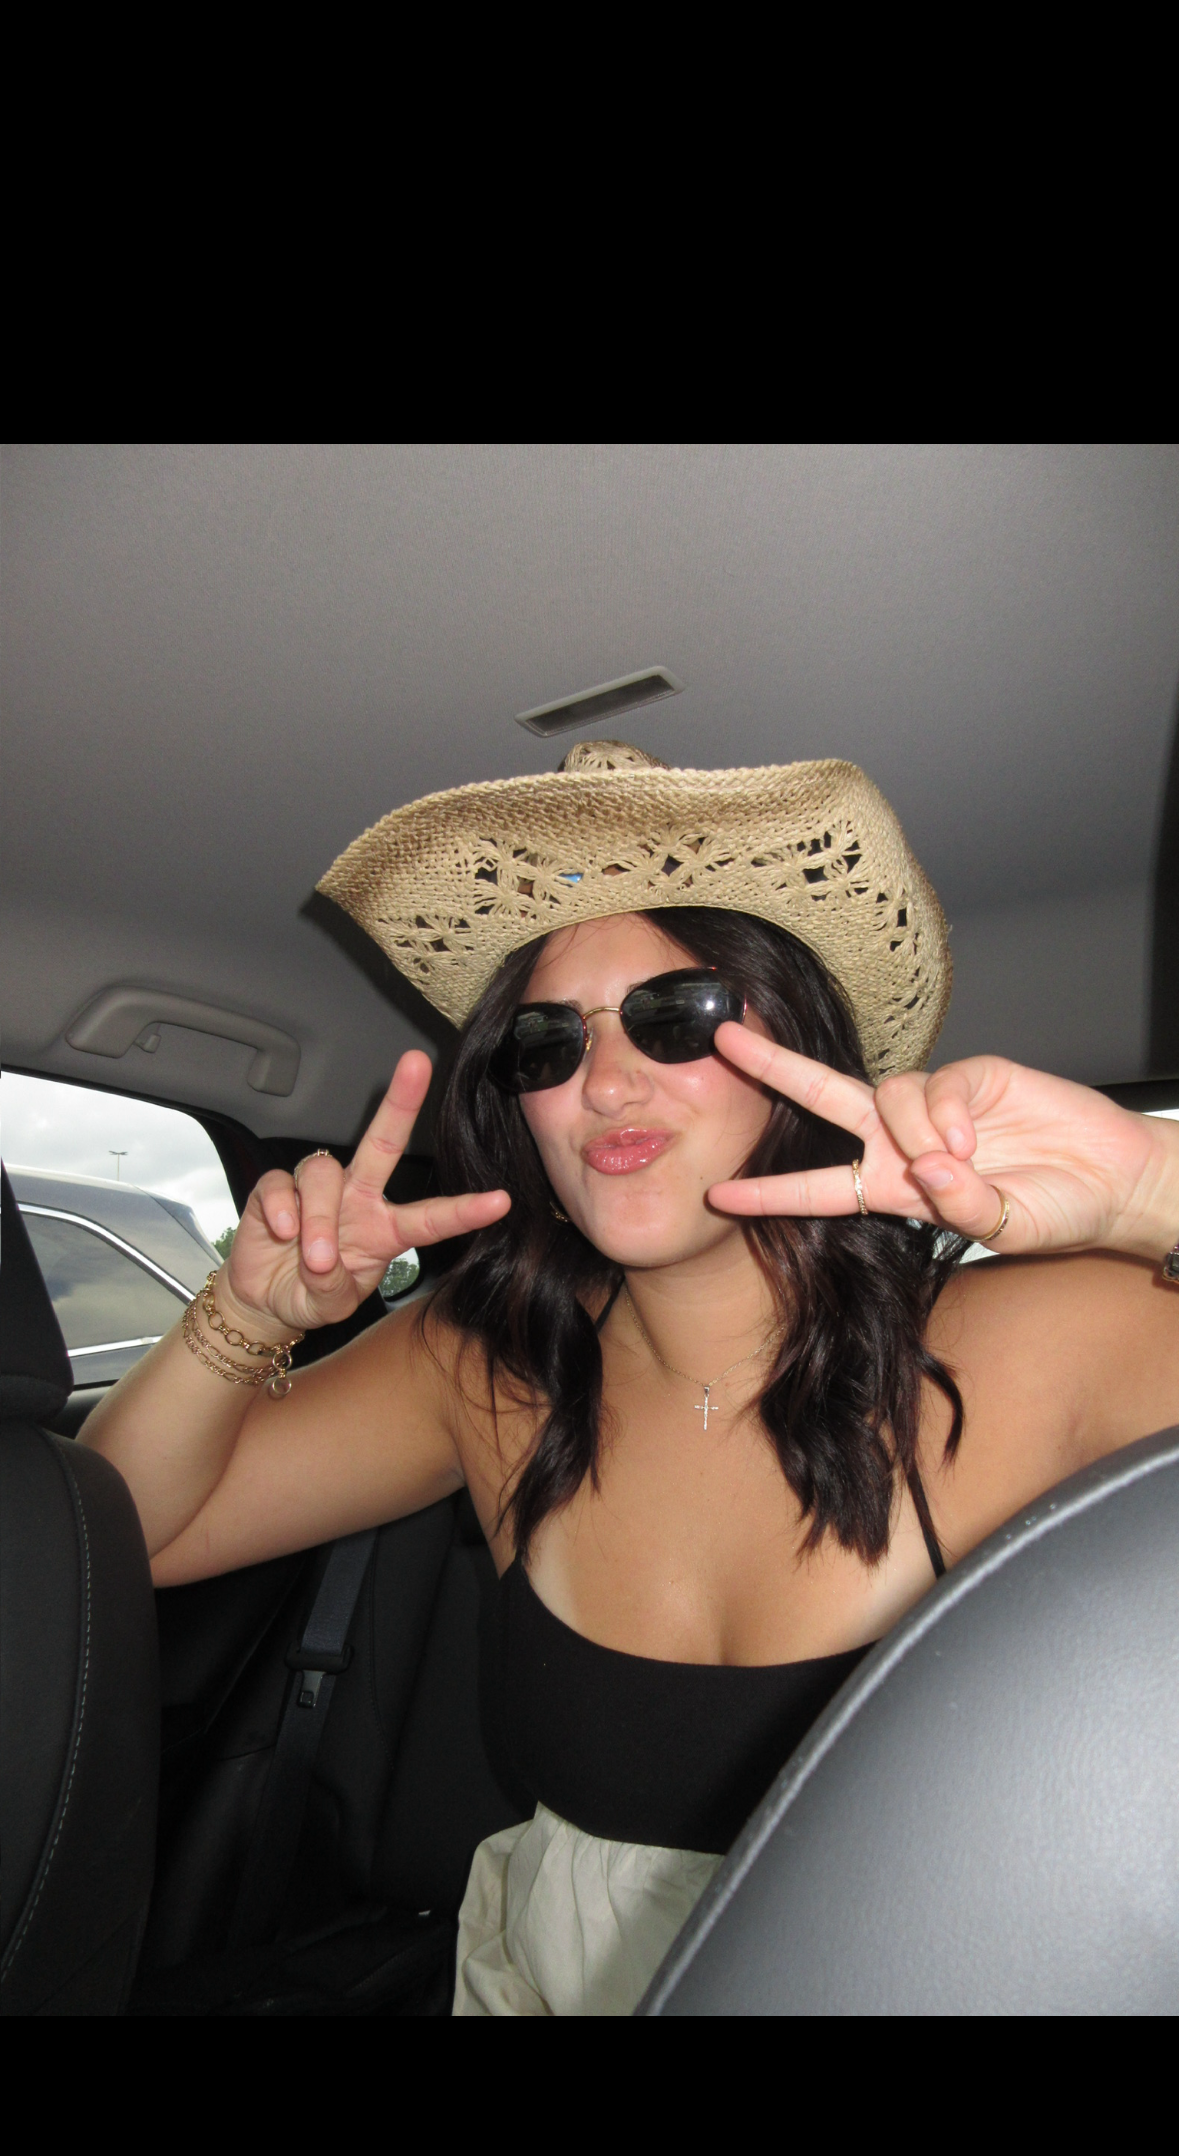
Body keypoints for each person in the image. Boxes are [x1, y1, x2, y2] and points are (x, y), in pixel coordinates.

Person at [85, 743, 1179, 2015]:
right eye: (548, 1046)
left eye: (677, 1018)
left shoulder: (1035, 1340)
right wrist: (241, 1316)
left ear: (798, 1043)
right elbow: (127, 1538)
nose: (603, 1084)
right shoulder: (488, 1363)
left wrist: (1158, 1195)